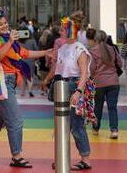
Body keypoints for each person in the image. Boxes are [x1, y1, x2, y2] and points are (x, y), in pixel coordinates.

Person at [0, 10, 53, 168]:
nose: (5, 25)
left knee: (0, 120)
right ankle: (16, 156)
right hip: (2, 81)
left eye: (5, 22)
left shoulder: (7, 38)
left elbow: (24, 53)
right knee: (16, 121)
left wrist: (45, 52)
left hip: (8, 81)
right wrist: (10, 41)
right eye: (0, 24)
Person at [42, 11, 96, 170]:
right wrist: (46, 80)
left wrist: (78, 92)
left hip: (74, 86)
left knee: (77, 125)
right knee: (61, 124)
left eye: (63, 29)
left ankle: (85, 158)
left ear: (72, 30)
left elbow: (84, 73)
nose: (60, 31)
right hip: (61, 86)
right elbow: (56, 68)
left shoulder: (79, 48)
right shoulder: (63, 47)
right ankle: (62, 156)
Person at [87, 29, 122, 139]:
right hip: (114, 81)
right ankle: (114, 130)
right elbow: (120, 63)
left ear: (95, 39)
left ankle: (96, 129)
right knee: (112, 107)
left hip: (99, 83)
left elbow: (92, 68)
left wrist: (92, 77)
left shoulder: (93, 51)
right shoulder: (113, 49)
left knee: (98, 107)